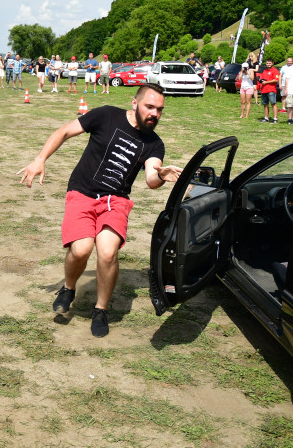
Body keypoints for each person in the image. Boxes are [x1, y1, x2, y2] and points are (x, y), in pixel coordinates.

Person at [17, 83, 182, 338]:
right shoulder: (106, 115)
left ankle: (100, 309)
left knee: (107, 252)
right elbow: (64, 132)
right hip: (82, 191)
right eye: (150, 107)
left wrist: (161, 175)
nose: (155, 114)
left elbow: (151, 178)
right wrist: (40, 159)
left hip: (114, 200)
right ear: (135, 103)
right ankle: (69, 288)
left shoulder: (154, 144)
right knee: (81, 249)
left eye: (160, 110)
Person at [257, 58, 280, 122]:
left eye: (269, 63)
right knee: (265, 104)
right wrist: (260, 81)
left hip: (271, 90)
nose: (268, 64)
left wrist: (266, 82)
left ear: (272, 63)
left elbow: (276, 80)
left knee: (273, 103)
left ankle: (275, 118)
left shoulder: (275, 71)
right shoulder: (265, 71)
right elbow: (262, 79)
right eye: (267, 63)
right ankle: (266, 117)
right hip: (264, 90)